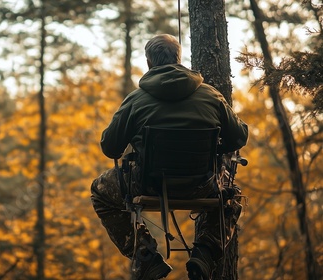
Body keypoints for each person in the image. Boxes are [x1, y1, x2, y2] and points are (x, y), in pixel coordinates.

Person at [90, 34, 248, 280]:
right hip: (202, 186)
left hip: (148, 184)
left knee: (100, 192)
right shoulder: (211, 96)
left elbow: (110, 148)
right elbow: (239, 138)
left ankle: (145, 257)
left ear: (149, 62)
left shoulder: (136, 99)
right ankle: (205, 253)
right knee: (231, 196)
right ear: (179, 58)